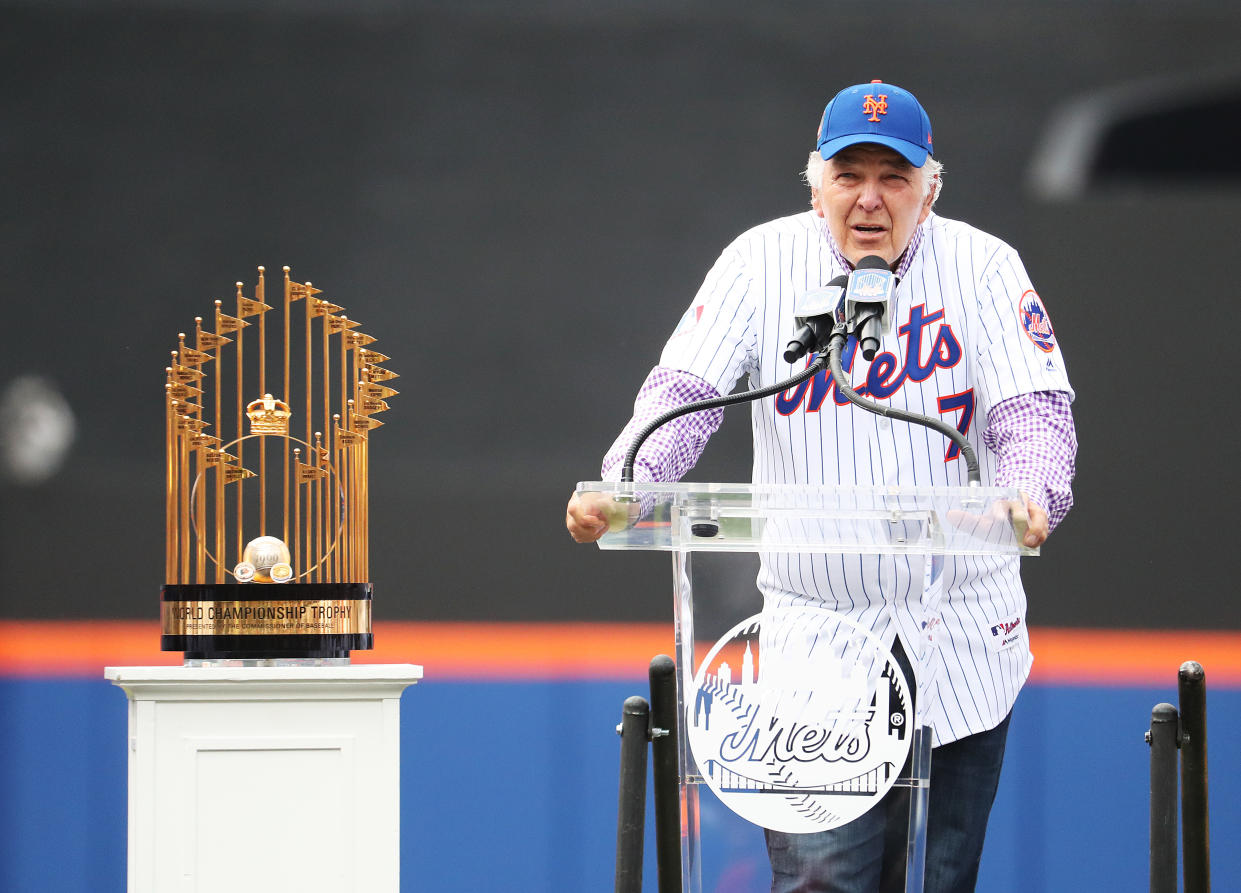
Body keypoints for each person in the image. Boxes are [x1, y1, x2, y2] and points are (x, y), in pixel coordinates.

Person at [565, 79, 1076, 893]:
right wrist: (626, 481)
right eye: (848, 175)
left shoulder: (983, 267)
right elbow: (682, 397)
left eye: (893, 177)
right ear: (815, 184)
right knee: (822, 885)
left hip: (962, 638)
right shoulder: (759, 261)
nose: (869, 199)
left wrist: (1030, 492)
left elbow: (1033, 413)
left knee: (936, 883)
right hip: (815, 648)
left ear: (928, 188)